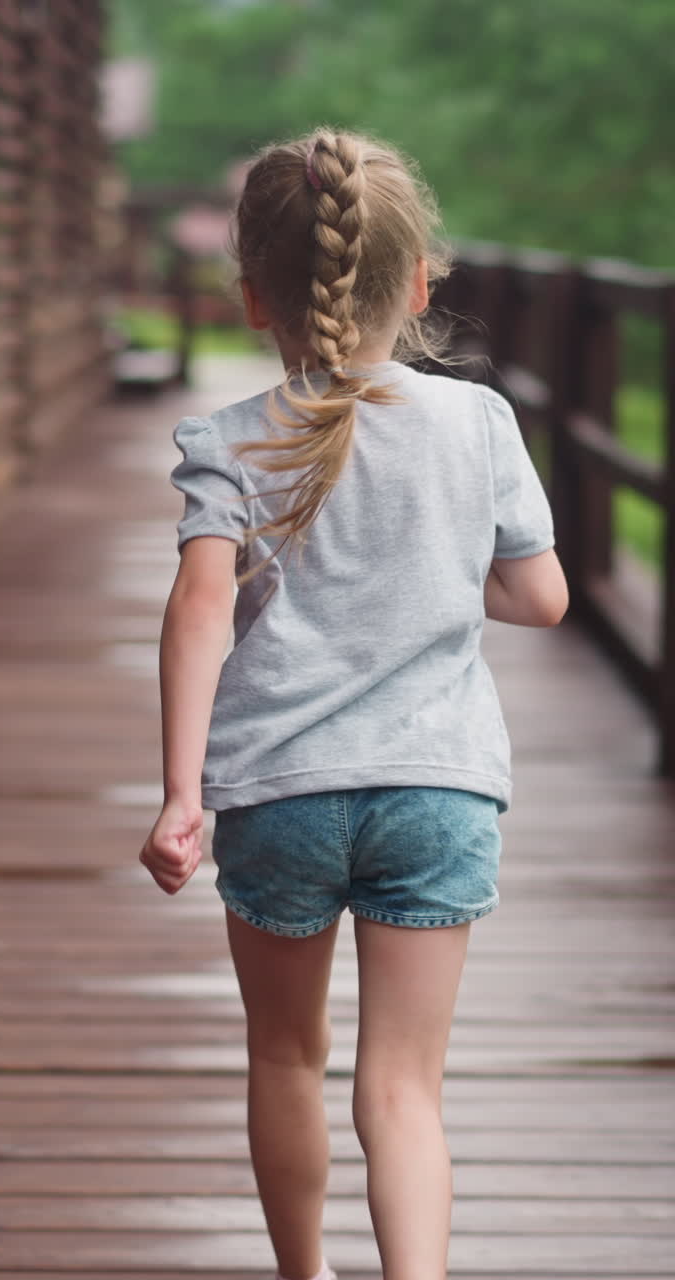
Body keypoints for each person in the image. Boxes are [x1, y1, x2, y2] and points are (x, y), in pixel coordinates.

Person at [138, 127, 569, 1280]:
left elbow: (196, 610)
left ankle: (303, 1274)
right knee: (403, 1084)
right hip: (439, 789)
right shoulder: (477, 424)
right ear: (420, 281)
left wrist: (182, 793)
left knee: (284, 1057)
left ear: (251, 300)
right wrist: (434, 573)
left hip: (278, 797)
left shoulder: (228, 442)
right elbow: (542, 597)